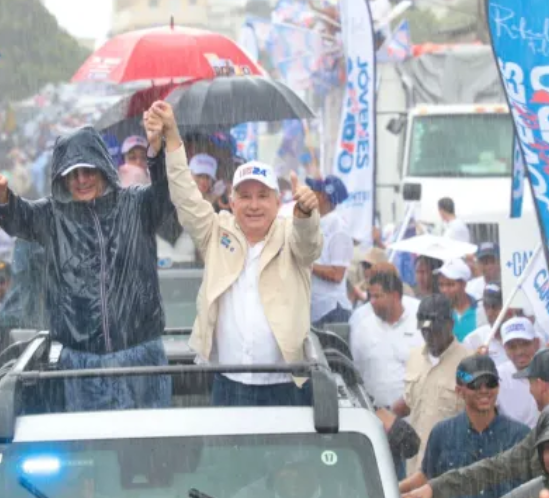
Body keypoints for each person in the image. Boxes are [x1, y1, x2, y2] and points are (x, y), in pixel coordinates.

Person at [0, 120, 174, 412]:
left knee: (149, 450)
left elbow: (164, 191)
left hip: (141, 356)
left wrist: (157, 153)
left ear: (103, 169)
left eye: (88, 171)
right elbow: (19, 217)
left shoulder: (136, 206)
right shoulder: (52, 216)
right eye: (72, 174)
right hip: (82, 365)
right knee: (93, 453)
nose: (81, 180)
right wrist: (2, 197)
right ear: (61, 178)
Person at [147, 100, 322, 406]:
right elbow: (185, 196)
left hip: (286, 384)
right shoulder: (217, 231)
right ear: (231, 200)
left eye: (262, 196)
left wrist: (307, 214)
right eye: (245, 196)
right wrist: (173, 136)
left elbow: (309, 245)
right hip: (228, 382)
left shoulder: (291, 232)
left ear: (278, 200)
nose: (254, 205)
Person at [401, 349, 549, 498]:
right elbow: (494, 469)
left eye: (490, 383)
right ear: (459, 391)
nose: (484, 390)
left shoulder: (520, 433)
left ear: (541, 385)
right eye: (475, 384)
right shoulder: (441, 433)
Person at [392, 294, 470, 476]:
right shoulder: (414, 357)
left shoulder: (467, 363)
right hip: (414, 468)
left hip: (451, 471)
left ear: (450, 325)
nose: (430, 336)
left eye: (436, 331)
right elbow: (410, 401)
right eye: (425, 331)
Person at [350, 270, 424, 409]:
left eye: (378, 296)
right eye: (370, 296)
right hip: (377, 413)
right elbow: (357, 371)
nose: (372, 302)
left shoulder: (419, 326)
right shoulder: (363, 328)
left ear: (395, 296)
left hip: (413, 413)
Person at [306, 175, 354, 325]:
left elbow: (337, 274)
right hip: (317, 310)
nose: (309, 194)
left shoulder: (338, 227)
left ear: (323, 196)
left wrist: (307, 264)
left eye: (313, 190)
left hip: (332, 312)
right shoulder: (316, 223)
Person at [498, 317, 542, 427]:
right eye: (512, 347)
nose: (519, 352)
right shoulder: (497, 376)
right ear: (504, 349)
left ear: (536, 343)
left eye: (525, 344)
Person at [436, 259, 478, 342]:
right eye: (441, 285)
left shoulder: (480, 310)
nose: (444, 290)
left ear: (464, 284)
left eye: (450, 284)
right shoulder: (438, 312)